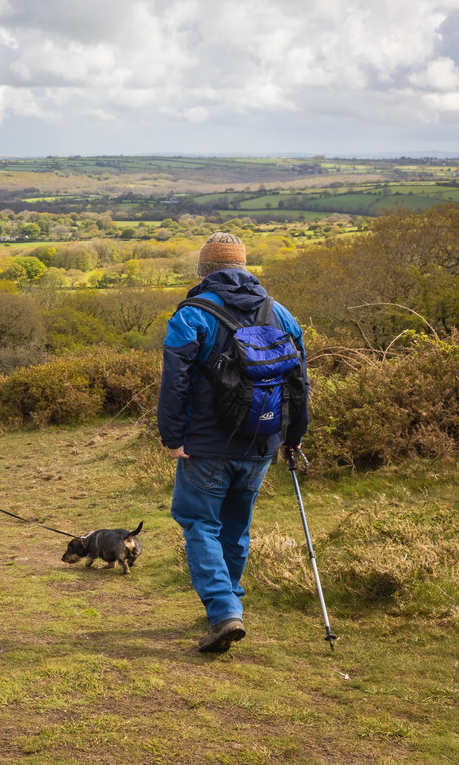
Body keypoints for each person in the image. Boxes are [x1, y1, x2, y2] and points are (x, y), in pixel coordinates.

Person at [157, 232, 309, 653]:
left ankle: (223, 611)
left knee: (199, 523)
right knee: (236, 527)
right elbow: (300, 382)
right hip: (262, 442)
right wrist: (293, 437)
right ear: (244, 267)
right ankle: (229, 604)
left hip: (205, 445)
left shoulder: (192, 315)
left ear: (203, 271)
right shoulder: (281, 314)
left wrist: (172, 438)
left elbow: (175, 385)